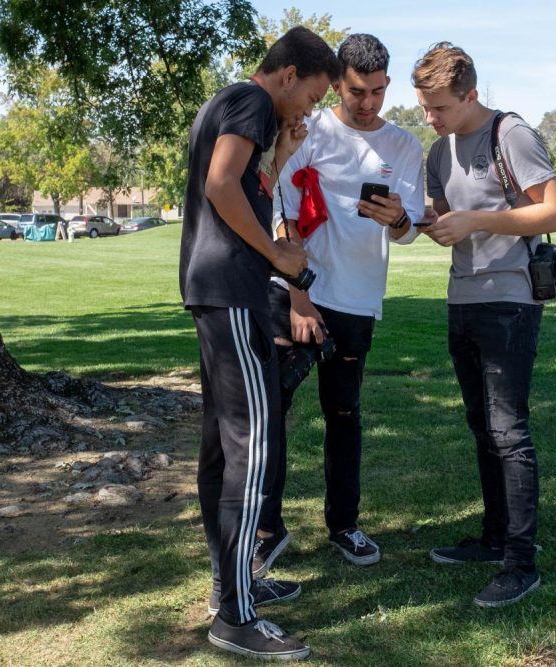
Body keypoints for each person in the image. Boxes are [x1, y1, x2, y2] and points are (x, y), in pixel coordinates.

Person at [179, 26, 340, 661]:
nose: (310, 109)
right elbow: (223, 185)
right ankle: (235, 616)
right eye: (312, 95)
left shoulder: (226, 106)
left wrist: (281, 153)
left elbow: (249, 185)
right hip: (236, 293)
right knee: (254, 448)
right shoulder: (249, 102)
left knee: (221, 449)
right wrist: (278, 253)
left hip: (212, 289)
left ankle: (234, 587)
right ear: (289, 73)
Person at [254, 33, 425, 572]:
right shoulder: (311, 130)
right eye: (356, 91)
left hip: (358, 299)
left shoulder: (404, 146)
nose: (368, 102)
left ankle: (344, 526)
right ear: (337, 84)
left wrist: (397, 220)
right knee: (273, 411)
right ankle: (265, 529)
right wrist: (301, 296)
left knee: (344, 415)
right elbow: (281, 210)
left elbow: (410, 231)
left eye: (377, 91)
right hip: (300, 294)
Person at [411, 43, 556, 608]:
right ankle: (494, 538)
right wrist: (410, 220)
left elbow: (555, 211)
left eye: (440, 109)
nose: (431, 119)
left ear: (470, 94)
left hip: (511, 300)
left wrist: (476, 218)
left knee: (509, 431)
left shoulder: (512, 134)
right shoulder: (438, 151)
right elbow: (434, 218)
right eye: (425, 108)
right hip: (462, 299)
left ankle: (521, 563)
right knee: (482, 427)